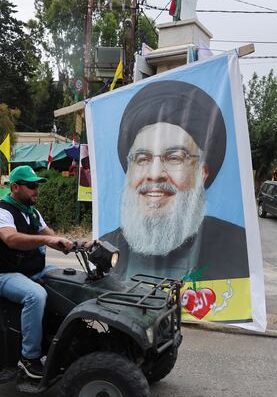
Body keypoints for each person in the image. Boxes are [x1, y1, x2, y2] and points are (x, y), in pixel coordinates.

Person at [100, 80, 249, 281]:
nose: (155, 174)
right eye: (142, 159)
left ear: (202, 172)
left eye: (174, 158)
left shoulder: (238, 248)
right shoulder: (106, 246)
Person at [0, 165, 73, 379]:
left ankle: (64, 339)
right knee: (36, 295)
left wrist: (79, 244)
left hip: (33, 271)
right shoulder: (1, 212)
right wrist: (45, 240)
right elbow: (11, 239)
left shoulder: (32, 212)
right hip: (3, 274)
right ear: (15, 187)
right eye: (32, 186)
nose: (37, 190)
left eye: (38, 185)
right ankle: (29, 358)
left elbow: (51, 237)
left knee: (69, 281)